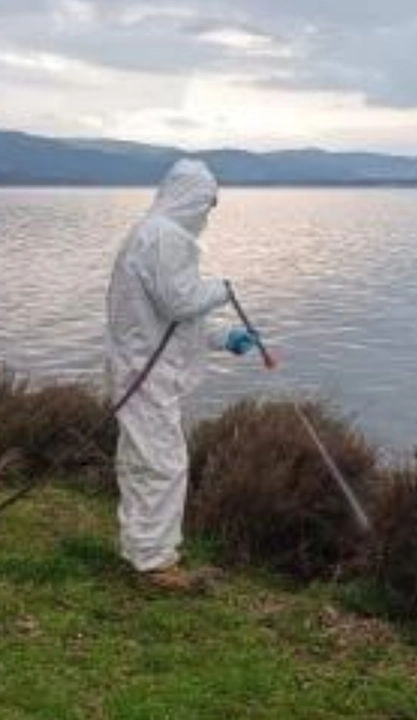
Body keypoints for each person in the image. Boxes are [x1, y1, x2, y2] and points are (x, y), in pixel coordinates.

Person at [105, 158, 257, 592]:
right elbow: (180, 302)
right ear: (193, 198)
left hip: (137, 368)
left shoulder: (148, 234)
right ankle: (154, 565)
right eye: (209, 205)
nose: (208, 215)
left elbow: (170, 318)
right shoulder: (165, 238)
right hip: (145, 375)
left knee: (142, 461)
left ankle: (142, 550)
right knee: (163, 465)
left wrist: (225, 337)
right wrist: (221, 289)